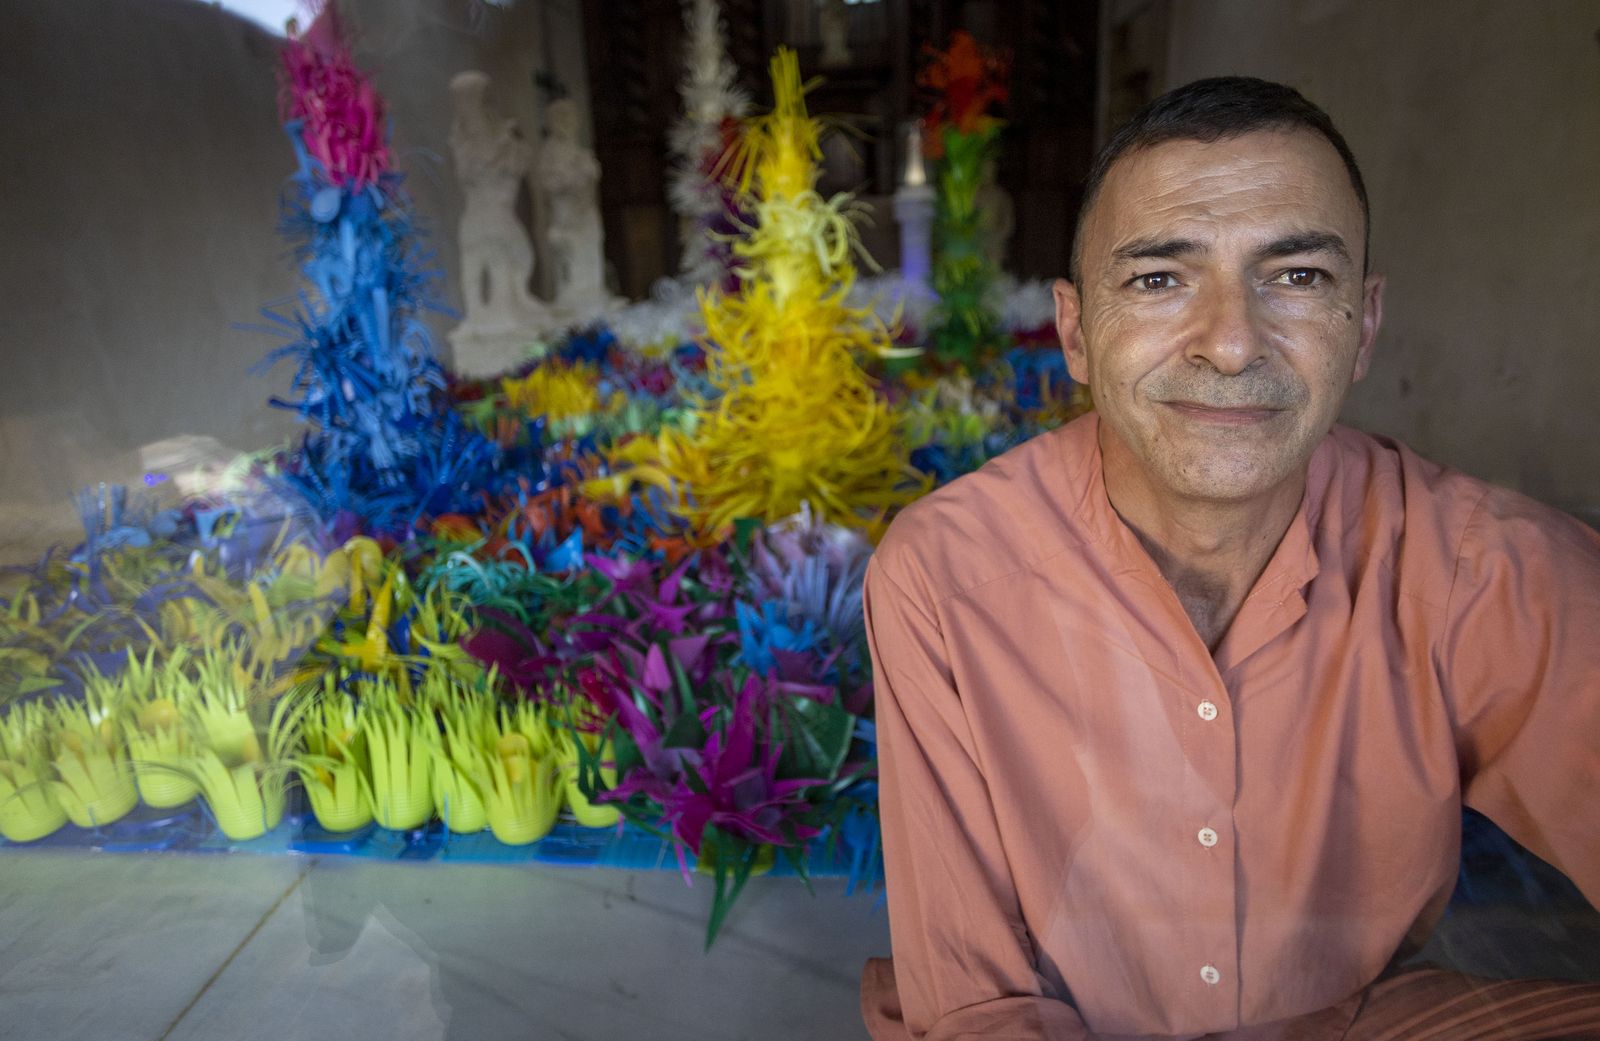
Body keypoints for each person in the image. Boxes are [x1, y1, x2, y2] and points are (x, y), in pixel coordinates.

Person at [860, 77, 1600, 1041]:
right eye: (1160, 278)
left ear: (1364, 325)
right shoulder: (949, 577)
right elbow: (978, 1006)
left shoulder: (1479, 566)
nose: (1233, 340)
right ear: (1077, 332)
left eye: (1297, 277)